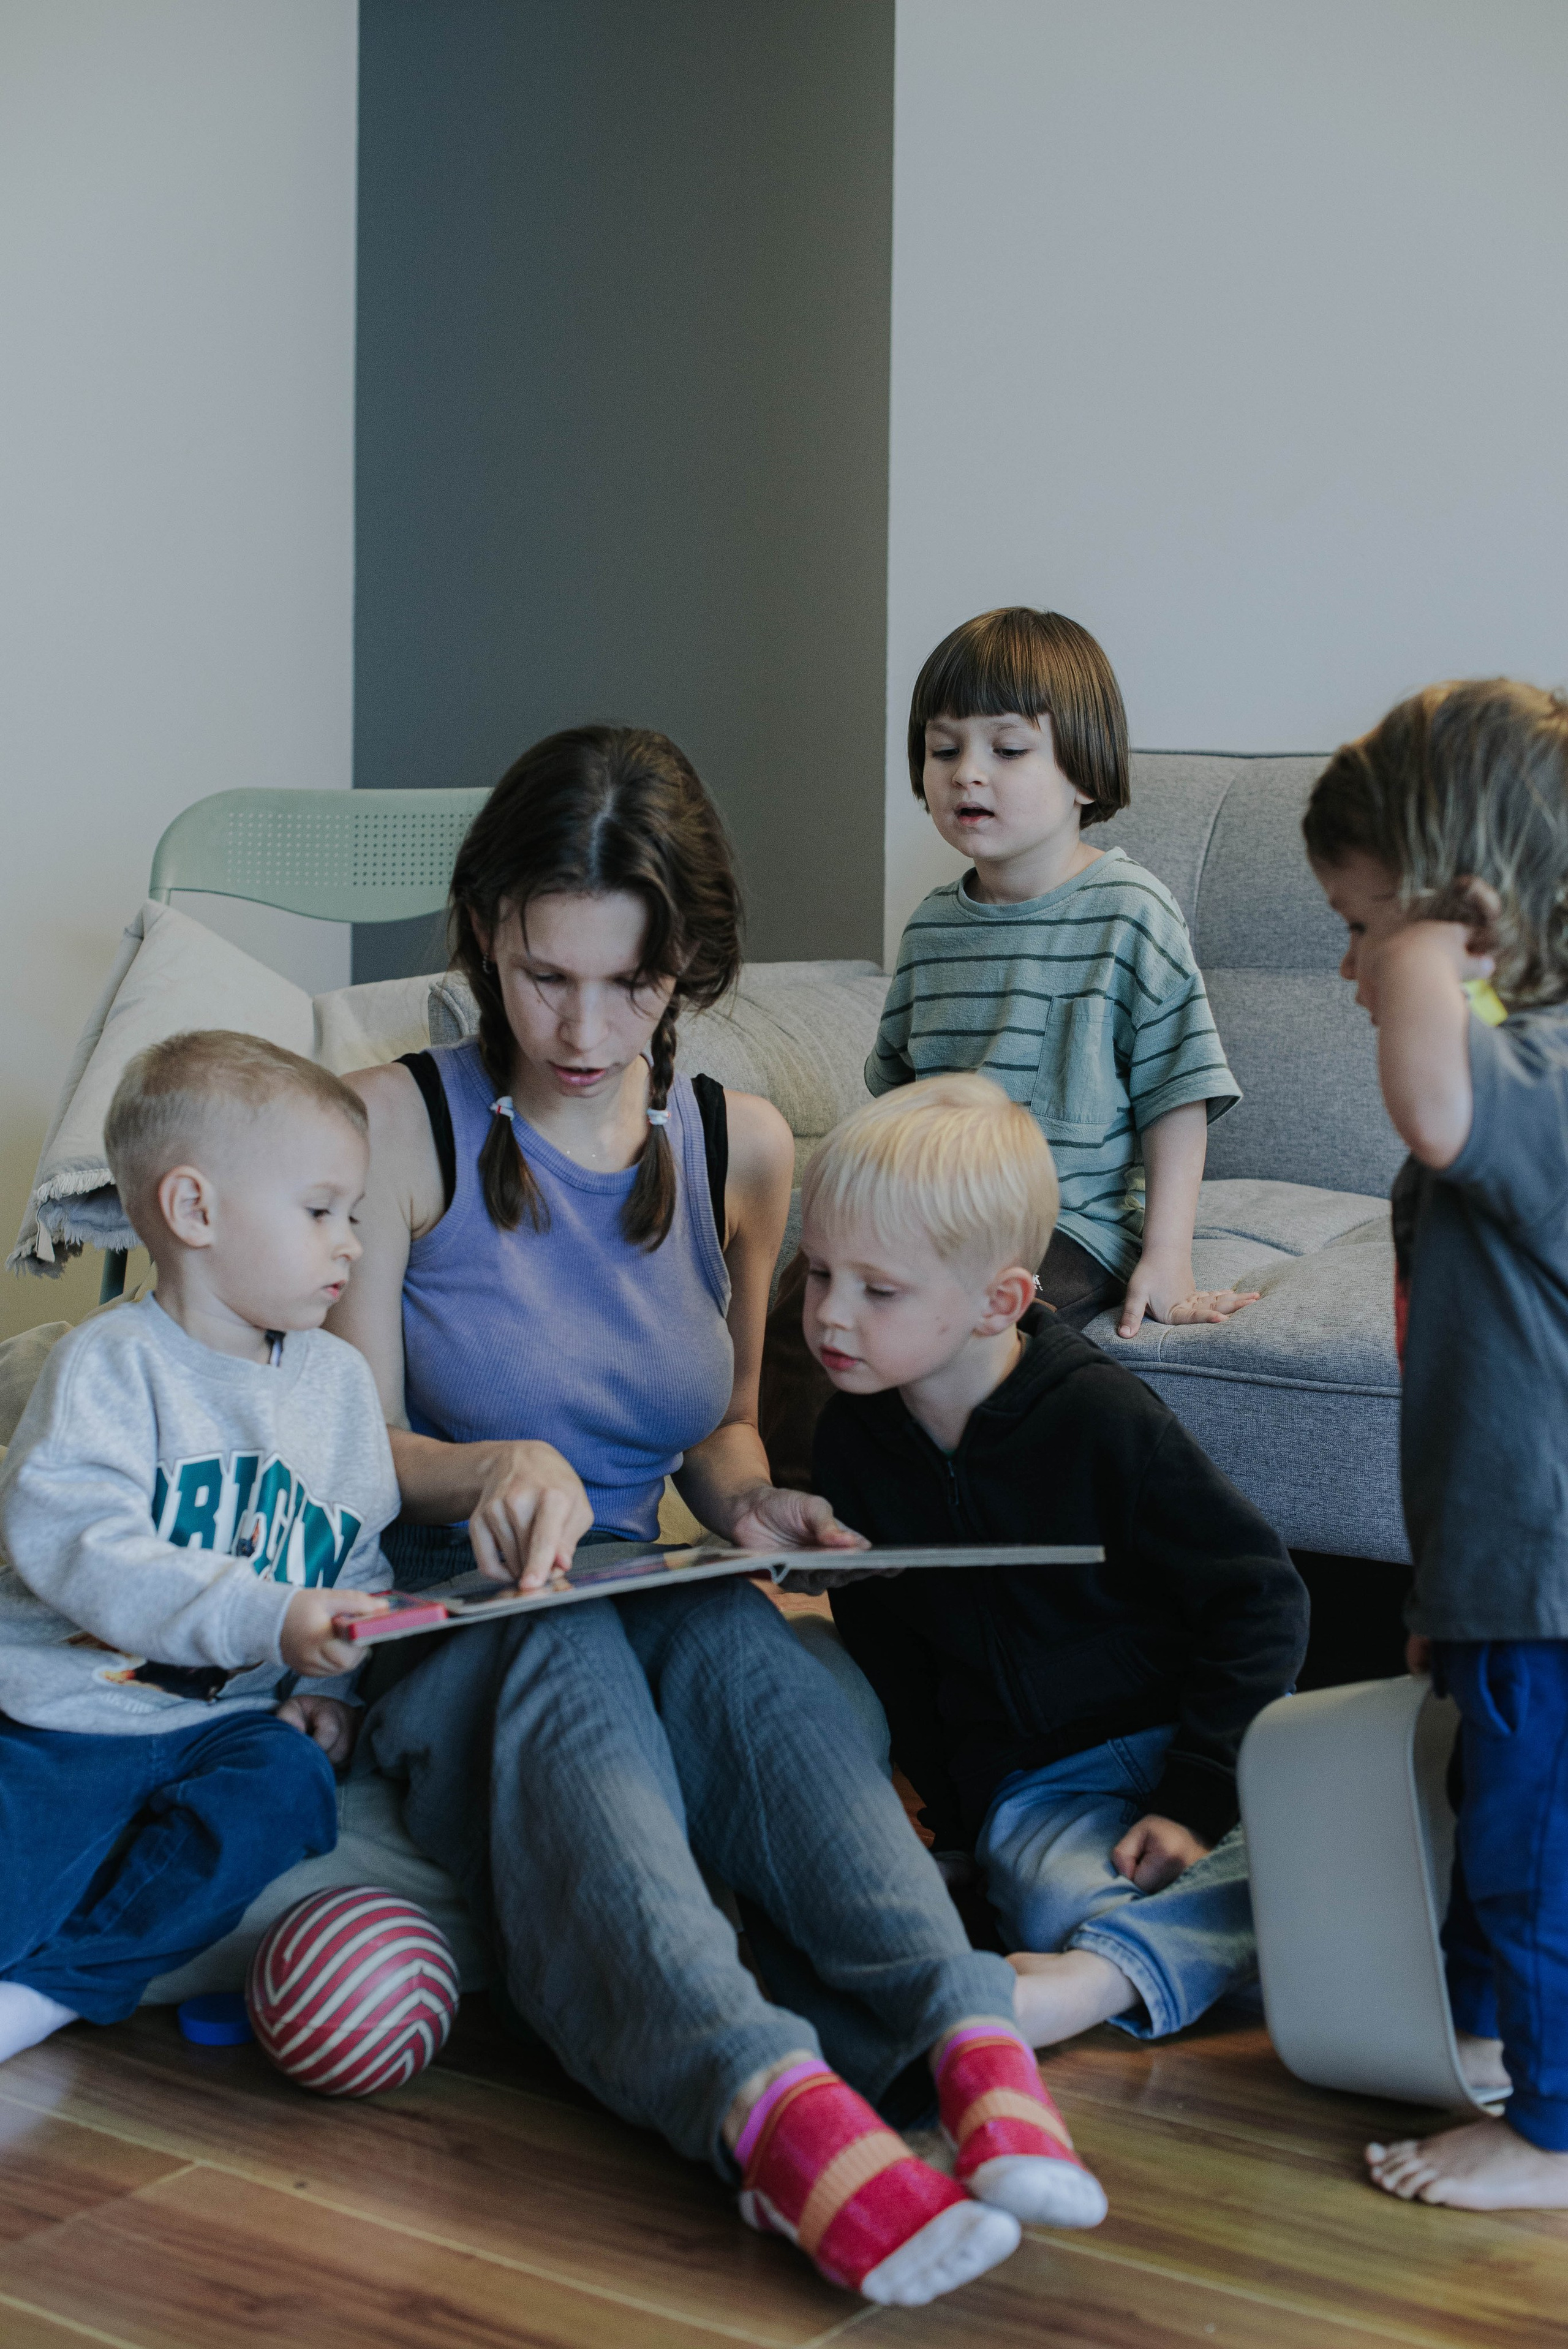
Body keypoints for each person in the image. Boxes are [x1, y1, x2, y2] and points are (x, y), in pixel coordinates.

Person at [334, 725, 1105, 2307]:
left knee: (734, 1641)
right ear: (490, 930)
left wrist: (761, 1506)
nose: (589, 1026)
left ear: (690, 961)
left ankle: (964, 2031)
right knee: (579, 1660)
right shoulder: (394, 1124)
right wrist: (480, 1468)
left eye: (637, 984)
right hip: (458, 1601)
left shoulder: (739, 1146)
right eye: (550, 976)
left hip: (645, 1570)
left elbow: (721, 1429)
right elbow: (343, 1446)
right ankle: (764, 2099)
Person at [794, 1072, 1306, 2048]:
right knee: (1042, 1901)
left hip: (1189, 1737)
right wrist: (954, 1822)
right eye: (819, 1273)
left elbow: (1259, 1598)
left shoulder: (1102, 1420)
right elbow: (886, 1644)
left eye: (877, 1289)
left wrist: (1198, 1796)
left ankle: (1101, 1980)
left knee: (1323, 1853)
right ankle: (1155, 1953)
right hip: (1042, 1785)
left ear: (1001, 1302)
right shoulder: (853, 1445)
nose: (829, 1315)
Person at [761, 604, 1257, 1488]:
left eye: (1008, 749)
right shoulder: (933, 929)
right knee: (801, 1308)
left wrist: (1167, 1255)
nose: (967, 775)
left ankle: (932, 1513)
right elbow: (899, 1099)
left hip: (1059, 1222)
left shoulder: (1129, 912)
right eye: (944, 749)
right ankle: (798, 1521)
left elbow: (1178, 1093)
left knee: (967, 1328)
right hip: (921, 1211)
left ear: (1083, 770)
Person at [0, 1031, 398, 2064]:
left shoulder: (339, 1386)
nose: (350, 1243)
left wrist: (332, 1688)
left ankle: (46, 1998)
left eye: (350, 1215)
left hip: (231, 1725)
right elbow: (79, 1547)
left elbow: (354, 1560)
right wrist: (268, 1615)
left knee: (288, 1792)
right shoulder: (109, 1368)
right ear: (195, 1212)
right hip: (68, 1716)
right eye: (321, 1212)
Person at [1303, 679, 1568, 2212]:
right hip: (1495, 1564)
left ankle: (1554, 2127)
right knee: (1495, 1814)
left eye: (1361, 929)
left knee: (1533, 1851)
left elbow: (1424, 1093)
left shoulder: (1530, 1076)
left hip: (1544, 1572)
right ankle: (1489, 2036)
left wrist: (1424, 937)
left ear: (1460, 920)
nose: (1350, 969)